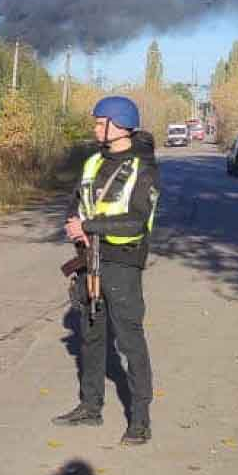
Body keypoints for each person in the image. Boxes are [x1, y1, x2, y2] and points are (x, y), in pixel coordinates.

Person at [53, 95, 160, 445]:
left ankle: (140, 420)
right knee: (92, 336)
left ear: (120, 125)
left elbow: (136, 223)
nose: (96, 127)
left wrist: (91, 226)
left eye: (101, 122)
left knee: (130, 342)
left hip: (122, 263)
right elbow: (75, 203)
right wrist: (73, 225)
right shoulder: (93, 163)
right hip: (90, 261)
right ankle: (90, 406)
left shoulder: (142, 168)